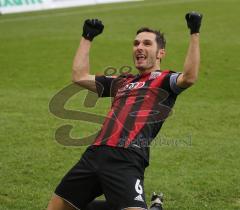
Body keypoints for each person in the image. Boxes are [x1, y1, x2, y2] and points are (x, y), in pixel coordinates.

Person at [47, 12, 202, 210]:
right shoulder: (122, 82)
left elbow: (189, 77)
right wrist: (87, 37)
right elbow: (79, 76)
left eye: (147, 44)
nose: (139, 47)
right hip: (94, 155)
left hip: (126, 159)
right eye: (136, 43)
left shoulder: (164, 80)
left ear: (161, 53)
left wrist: (194, 32)